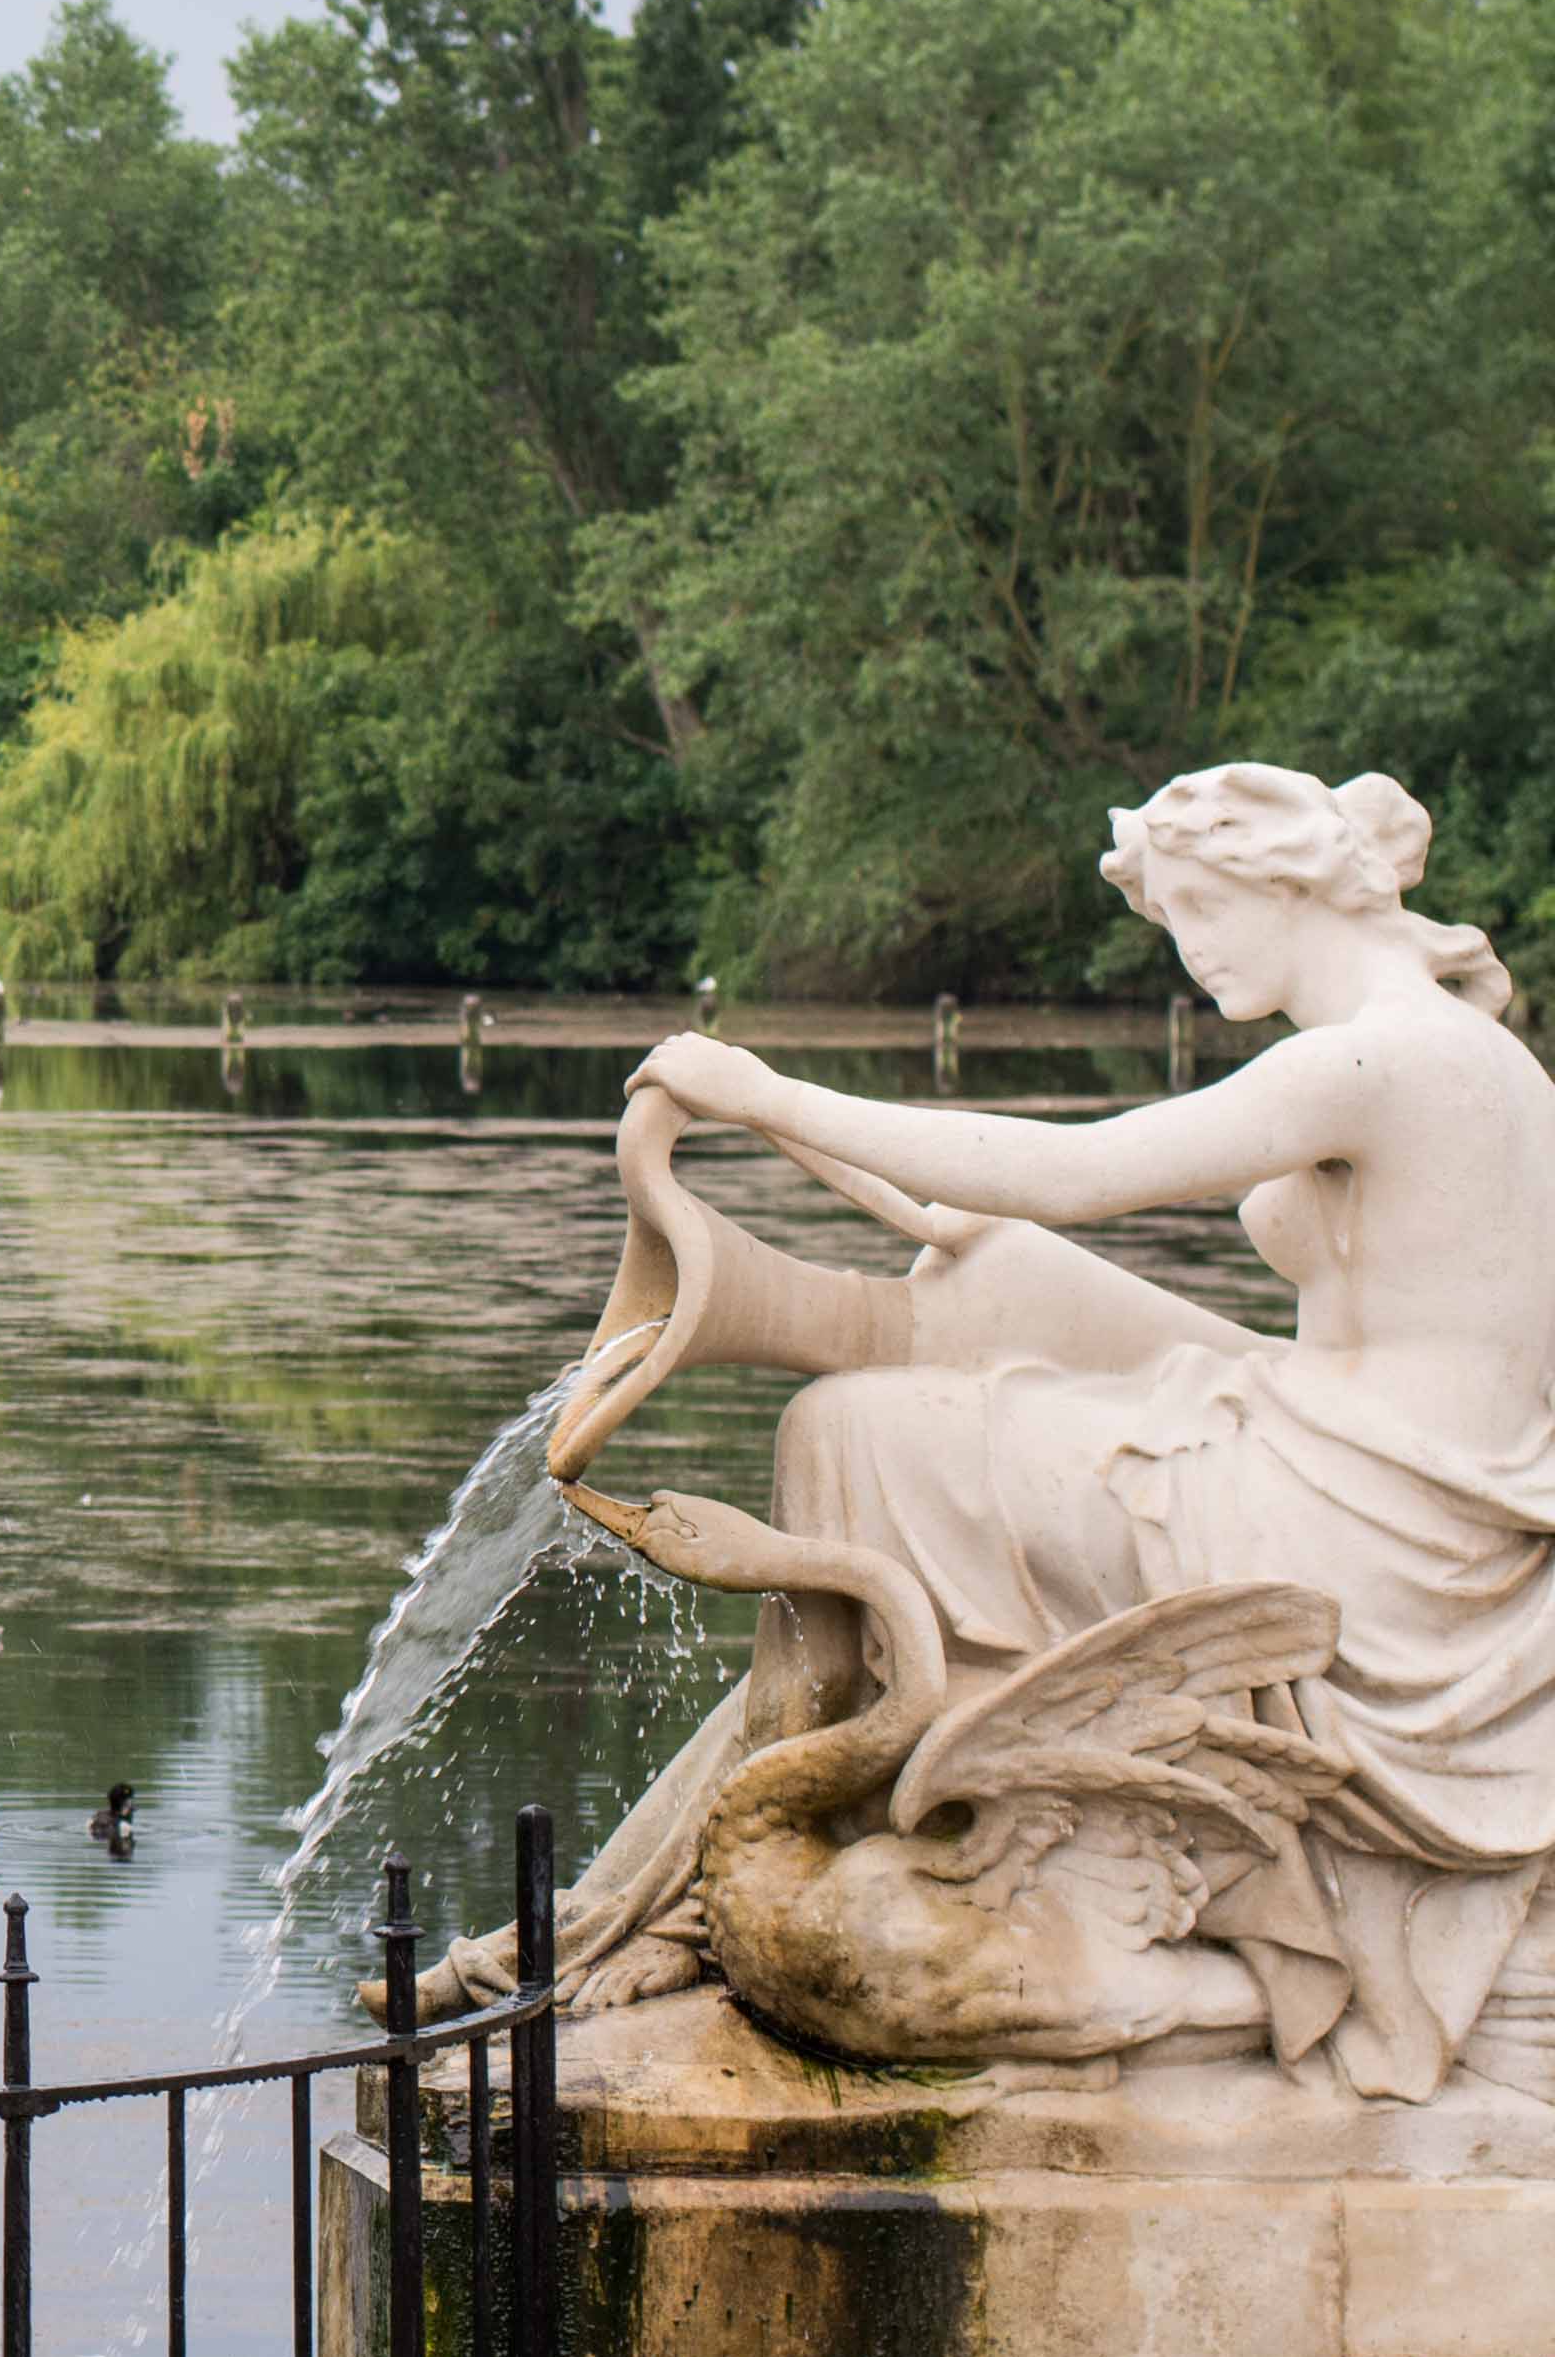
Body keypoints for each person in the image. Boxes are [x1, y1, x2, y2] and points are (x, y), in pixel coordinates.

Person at [627, 765, 1555, 2099]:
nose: (1192, 950)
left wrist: (764, 1091)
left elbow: (1074, 1170)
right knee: (970, 1316)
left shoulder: (1379, 1059)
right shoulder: (1463, 1055)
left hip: (1383, 1535)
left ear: (1288, 883)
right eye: (1174, 920)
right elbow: (1029, 1220)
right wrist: (976, 1251)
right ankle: (731, 1870)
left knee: (853, 1435)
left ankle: (768, 1860)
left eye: (1200, 911)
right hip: (1372, 1476)